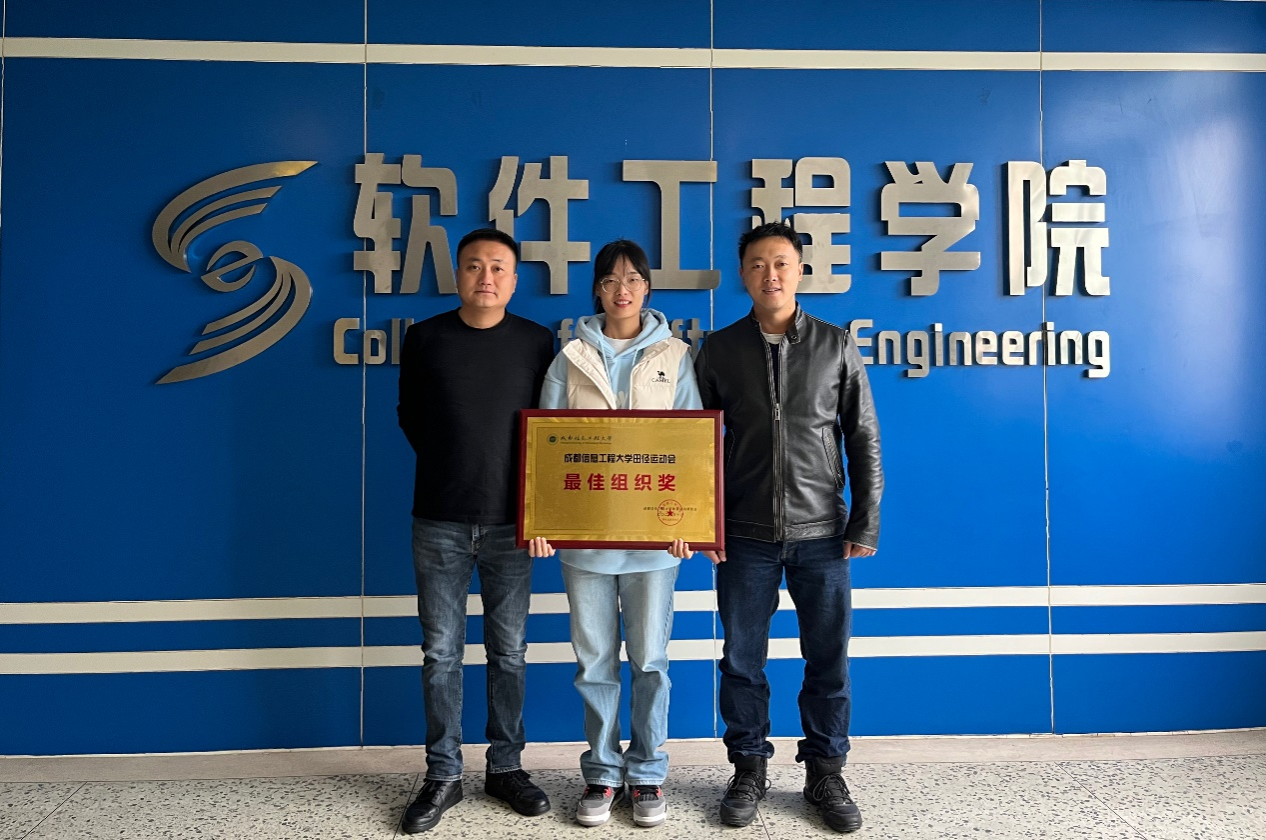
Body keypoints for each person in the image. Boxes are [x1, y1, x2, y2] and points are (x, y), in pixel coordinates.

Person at [693, 221, 883, 834]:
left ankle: (826, 772)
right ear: (742, 274)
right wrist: (704, 523)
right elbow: (695, 447)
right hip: (743, 534)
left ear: (800, 270)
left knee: (828, 659)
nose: (769, 275)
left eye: (780, 263)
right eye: (757, 264)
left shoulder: (835, 344)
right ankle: (748, 768)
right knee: (741, 660)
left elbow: (863, 436)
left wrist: (865, 519)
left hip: (823, 532)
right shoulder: (719, 350)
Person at [528, 239, 701, 828]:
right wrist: (542, 521)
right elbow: (546, 447)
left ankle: (647, 773)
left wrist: (690, 523)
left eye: (633, 279)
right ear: (597, 290)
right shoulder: (570, 357)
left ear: (647, 288)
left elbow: (691, 448)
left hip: (655, 544)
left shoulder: (676, 356)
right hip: (585, 542)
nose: (621, 289)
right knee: (595, 663)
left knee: (650, 660)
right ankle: (602, 772)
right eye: (610, 280)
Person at [396, 228, 557, 834]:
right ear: (457, 274)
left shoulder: (537, 342)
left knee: (509, 652)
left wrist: (534, 506)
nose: (485, 277)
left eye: (497, 267)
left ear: (513, 280)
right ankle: (443, 774)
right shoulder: (425, 338)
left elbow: (551, 431)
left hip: (513, 524)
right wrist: (453, 464)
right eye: (473, 266)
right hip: (438, 518)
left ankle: (505, 767)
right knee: (440, 653)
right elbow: (410, 415)